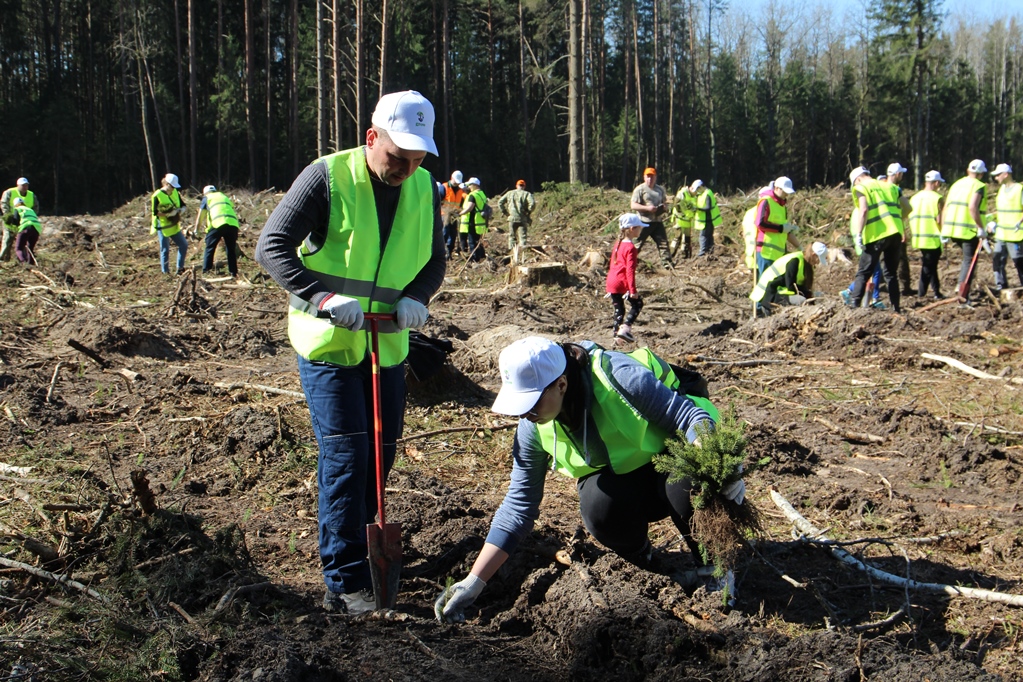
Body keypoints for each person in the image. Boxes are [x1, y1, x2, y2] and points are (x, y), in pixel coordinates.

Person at [254, 89, 445, 615]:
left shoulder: (426, 187)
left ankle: (366, 553)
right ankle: (343, 582)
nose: (406, 167)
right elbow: (270, 245)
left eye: (417, 157)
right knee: (347, 455)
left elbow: (434, 260)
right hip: (329, 346)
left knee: (381, 455)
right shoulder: (328, 177)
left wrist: (417, 298)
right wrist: (321, 296)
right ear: (371, 137)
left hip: (386, 345)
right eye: (397, 156)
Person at [434, 336, 746, 624]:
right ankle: (648, 567)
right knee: (598, 506)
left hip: (674, 461)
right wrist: (474, 582)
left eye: (531, 402)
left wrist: (720, 465)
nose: (525, 414)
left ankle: (717, 569)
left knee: (690, 480)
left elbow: (688, 417)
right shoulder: (532, 425)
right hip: (629, 480)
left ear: (561, 384)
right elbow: (518, 507)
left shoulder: (617, 377)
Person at [846, 166, 904, 312]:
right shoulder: (890, 186)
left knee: (864, 272)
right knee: (891, 274)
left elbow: (864, 210)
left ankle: (854, 305)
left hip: (876, 235)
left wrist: (859, 233)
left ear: (857, 179)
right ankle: (896, 307)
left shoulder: (862, 188)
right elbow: (908, 207)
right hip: (895, 233)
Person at [941, 160, 988, 296]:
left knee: (967, 260)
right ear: (981, 173)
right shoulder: (979, 185)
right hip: (968, 230)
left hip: (953, 229)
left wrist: (943, 229)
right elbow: (973, 207)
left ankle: (964, 288)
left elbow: (946, 207)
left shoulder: (956, 184)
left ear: (968, 171)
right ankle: (962, 291)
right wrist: (981, 227)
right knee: (969, 261)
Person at [750, 241, 827, 314]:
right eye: (818, 259)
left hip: (780, 292)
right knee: (802, 300)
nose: (818, 262)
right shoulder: (795, 261)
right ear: (813, 255)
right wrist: (806, 294)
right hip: (769, 293)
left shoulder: (804, 262)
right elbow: (790, 286)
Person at [606, 213, 645, 342]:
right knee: (638, 303)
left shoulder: (618, 243)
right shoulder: (631, 248)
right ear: (632, 229)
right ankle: (626, 328)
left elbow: (612, 263)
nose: (641, 229)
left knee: (619, 310)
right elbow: (630, 270)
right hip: (622, 282)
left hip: (612, 281)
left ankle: (616, 338)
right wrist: (632, 290)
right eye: (640, 227)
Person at [908, 170, 946, 299]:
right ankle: (921, 293)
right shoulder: (937, 198)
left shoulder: (915, 197)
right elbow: (940, 220)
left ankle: (937, 292)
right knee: (928, 266)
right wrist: (944, 234)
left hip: (919, 236)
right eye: (939, 183)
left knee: (931, 265)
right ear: (935, 183)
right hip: (932, 238)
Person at [753, 176, 800, 276]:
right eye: (784, 191)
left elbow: (784, 230)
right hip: (766, 252)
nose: (786, 194)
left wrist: (799, 246)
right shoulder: (766, 201)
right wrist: (781, 228)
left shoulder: (782, 206)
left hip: (778, 254)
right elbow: (760, 223)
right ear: (777, 188)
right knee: (766, 284)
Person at [881, 163, 914, 295]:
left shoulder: (879, 188)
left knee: (881, 260)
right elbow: (908, 208)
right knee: (897, 261)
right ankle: (900, 289)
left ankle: (881, 286)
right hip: (896, 230)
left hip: (880, 229)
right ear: (898, 174)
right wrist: (900, 217)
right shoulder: (896, 190)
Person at [193, 185, 240, 278]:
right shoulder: (224, 196)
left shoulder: (207, 198)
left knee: (210, 248)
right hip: (233, 224)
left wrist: (196, 230)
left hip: (218, 223)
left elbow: (200, 216)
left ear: (205, 193)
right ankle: (233, 272)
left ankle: (206, 271)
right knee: (231, 249)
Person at [631, 167, 673, 269]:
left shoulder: (660, 190)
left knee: (663, 244)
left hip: (657, 221)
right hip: (643, 221)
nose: (650, 179)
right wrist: (647, 208)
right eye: (648, 177)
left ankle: (667, 265)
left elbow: (665, 203)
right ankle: (629, 263)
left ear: (655, 177)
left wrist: (664, 208)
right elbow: (633, 205)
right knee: (637, 244)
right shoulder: (640, 189)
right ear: (644, 177)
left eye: (652, 177)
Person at [991, 163, 1023, 291]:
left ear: (1006, 174)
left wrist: (1019, 221)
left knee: (1019, 262)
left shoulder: (1019, 189)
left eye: (998, 175)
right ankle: (1001, 286)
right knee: (997, 260)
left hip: (1015, 234)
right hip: (1001, 233)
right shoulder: (1001, 190)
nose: (996, 178)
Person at [151, 173, 188, 274]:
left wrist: (181, 210)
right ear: (166, 184)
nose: (173, 189)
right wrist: (168, 214)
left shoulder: (175, 192)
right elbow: (155, 212)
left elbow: (182, 204)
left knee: (183, 245)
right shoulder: (157, 195)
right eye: (172, 186)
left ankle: (180, 269)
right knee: (165, 249)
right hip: (162, 226)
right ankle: (165, 272)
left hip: (174, 225)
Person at [1, 177, 36, 262]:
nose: (25, 187)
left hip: (23, 222)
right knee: (8, 239)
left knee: (22, 241)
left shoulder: (31, 195)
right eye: (23, 185)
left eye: (26, 185)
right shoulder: (9, 192)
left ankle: (22, 259)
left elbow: (35, 207)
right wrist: (8, 215)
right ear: (18, 185)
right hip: (10, 221)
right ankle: (3, 258)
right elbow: (3, 203)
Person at [498, 179, 536, 249]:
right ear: (524, 186)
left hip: (511, 218)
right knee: (523, 237)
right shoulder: (527, 194)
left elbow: (500, 202)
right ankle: (522, 252)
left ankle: (512, 253)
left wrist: (505, 212)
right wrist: (528, 212)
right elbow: (532, 204)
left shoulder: (509, 193)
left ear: (516, 186)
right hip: (522, 218)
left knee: (512, 237)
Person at [458, 177, 489, 263]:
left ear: (475, 185)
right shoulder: (482, 193)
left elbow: (469, 208)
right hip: (480, 222)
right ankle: (482, 256)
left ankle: (474, 259)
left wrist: (460, 213)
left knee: (472, 241)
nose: (469, 186)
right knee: (479, 241)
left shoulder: (472, 195)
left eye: (470, 185)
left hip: (473, 222)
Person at [690, 179, 722, 257]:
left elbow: (708, 207)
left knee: (703, 236)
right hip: (706, 220)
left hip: (707, 220)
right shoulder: (702, 194)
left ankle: (702, 253)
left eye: (697, 189)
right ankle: (710, 253)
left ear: (701, 186)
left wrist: (698, 208)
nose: (697, 191)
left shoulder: (707, 194)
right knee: (708, 236)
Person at [8, 197, 41, 264]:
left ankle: (24, 264)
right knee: (30, 249)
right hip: (36, 229)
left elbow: (16, 221)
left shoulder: (18, 209)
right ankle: (31, 264)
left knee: (18, 249)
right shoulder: (30, 210)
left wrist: (10, 221)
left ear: (15, 204)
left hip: (26, 227)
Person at [441, 171, 466, 259]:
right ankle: (440, 252)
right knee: (444, 234)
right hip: (444, 215)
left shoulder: (460, 191)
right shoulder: (444, 187)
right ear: (452, 178)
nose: (457, 183)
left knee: (453, 235)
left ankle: (449, 253)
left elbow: (461, 203)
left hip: (454, 216)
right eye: (456, 181)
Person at [670, 183, 697, 259]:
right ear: (691, 188)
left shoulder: (695, 196)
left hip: (688, 220)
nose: (696, 193)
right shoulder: (682, 193)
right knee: (677, 237)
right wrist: (683, 215)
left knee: (687, 239)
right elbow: (676, 205)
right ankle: (670, 255)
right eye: (695, 191)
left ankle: (685, 256)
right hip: (679, 219)